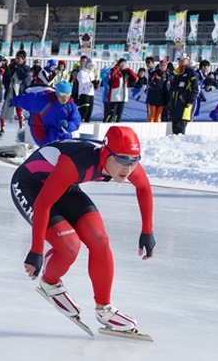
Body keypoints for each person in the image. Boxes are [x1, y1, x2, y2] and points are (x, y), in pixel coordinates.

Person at [10, 125, 155, 333]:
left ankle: (104, 308)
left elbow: (144, 188)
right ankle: (50, 282)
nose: (128, 168)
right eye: (123, 160)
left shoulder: (125, 162)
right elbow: (42, 204)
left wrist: (147, 231)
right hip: (30, 186)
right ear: (106, 153)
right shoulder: (76, 162)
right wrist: (36, 250)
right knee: (69, 246)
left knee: (100, 240)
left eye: (134, 161)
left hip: (64, 186)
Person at [10, 81, 81, 147]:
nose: (65, 98)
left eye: (67, 95)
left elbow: (76, 122)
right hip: (41, 130)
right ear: (57, 93)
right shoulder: (43, 100)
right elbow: (27, 100)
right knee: (49, 148)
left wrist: (68, 125)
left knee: (69, 147)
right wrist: (12, 101)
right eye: (62, 94)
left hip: (61, 131)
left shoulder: (71, 106)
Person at [168, 53, 199, 135]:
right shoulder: (177, 73)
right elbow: (172, 90)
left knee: (180, 130)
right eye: (180, 60)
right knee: (174, 131)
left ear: (188, 61)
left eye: (183, 60)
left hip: (184, 105)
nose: (181, 62)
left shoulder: (190, 72)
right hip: (175, 106)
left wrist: (189, 102)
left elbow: (195, 89)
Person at [105, 58, 139, 122]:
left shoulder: (127, 73)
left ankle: (116, 125)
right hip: (114, 97)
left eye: (125, 64)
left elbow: (136, 78)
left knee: (119, 114)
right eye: (121, 64)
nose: (123, 65)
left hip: (123, 97)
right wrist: (117, 67)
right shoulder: (114, 71)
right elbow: (111, 76)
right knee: (112, 113)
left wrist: (129, 70)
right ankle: (106, 124)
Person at [75, 57, 98, 122]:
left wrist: (95, 84)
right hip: (84, 93)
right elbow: (82, 83)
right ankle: (81, 120)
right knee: (85, 109)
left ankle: (87, 121)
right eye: (91, 65)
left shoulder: (91, 73)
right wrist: (91, 83)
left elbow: (92, 83)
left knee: (90, 110)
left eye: (93, 66)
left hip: (91, 93)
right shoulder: (81, 72)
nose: (91, 67)